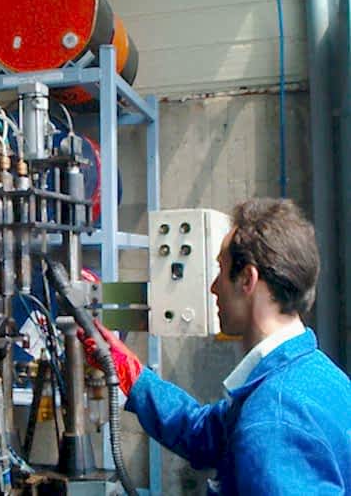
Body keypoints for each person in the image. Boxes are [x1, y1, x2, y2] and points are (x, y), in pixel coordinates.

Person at [79, 198, 351, 495]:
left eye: (221, 269)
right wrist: (131, 375)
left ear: (247, 279)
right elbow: (204, 433)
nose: (213, 287)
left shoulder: (272, 421)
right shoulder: (319, 376)